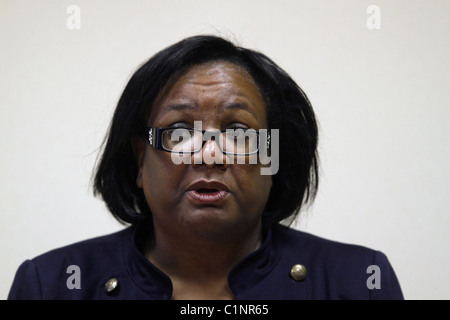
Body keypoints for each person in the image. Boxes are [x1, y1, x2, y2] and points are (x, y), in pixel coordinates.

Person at [8, 35, 403, 300]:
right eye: (179, 132)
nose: (209, 154)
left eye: (238, 131)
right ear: (140, 160)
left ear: (272, 157)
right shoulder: (54, 284)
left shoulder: (359, 281)